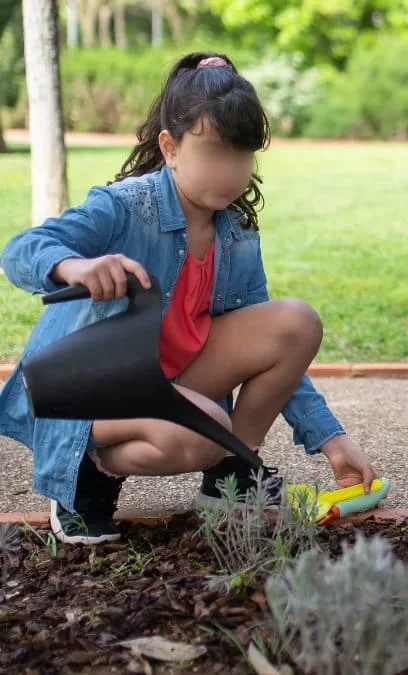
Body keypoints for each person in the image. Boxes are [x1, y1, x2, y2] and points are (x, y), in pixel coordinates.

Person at [0, 52, 376, 545]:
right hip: (84, 392)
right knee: (205, 426)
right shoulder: (125, 206)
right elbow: (20, 250)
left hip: (168, 379)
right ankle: (88, 474)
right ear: (170, 147)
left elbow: (269, 346)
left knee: (296, 322)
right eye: (215, 152)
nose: (231, 170)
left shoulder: (235, 232)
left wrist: (331, 439)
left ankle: (230, 472)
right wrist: (77, 266)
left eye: (242, 155)